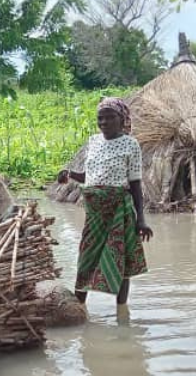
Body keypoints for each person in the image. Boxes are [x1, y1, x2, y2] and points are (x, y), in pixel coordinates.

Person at [57, 97, 153, 309]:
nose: (104, 122)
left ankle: (121, 311)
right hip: (94, 212)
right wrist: (70, 174)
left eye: (110, 117)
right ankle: (78, 309)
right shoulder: (93, 141)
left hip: (118, 208)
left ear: (122, 119)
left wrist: (141, 220)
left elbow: (135, 184)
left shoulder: (131, 144)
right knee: (86, 258)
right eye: (100, 118)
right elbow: (89, 176)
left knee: (120, 258)